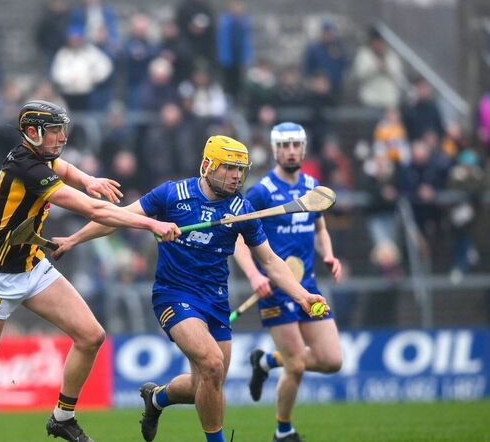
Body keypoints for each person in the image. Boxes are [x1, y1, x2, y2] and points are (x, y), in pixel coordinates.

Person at [0, 99, 181, 442]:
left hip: (31, 264)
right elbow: (94, 211)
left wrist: (88, 179)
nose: (62, 137)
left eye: (62, 129)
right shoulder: (27, 168)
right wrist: (150, 224)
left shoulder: (40, 157)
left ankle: (62, 418)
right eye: (55, 130)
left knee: (91, 336)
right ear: (32, 132)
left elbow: (63, 167)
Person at [53, 135, 328, 442]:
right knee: (212, 363)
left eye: (240, 169)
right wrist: (73, 239)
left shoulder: (242, 210)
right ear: (208, 166)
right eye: (229, 168)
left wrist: (302, 296)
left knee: (207, 382)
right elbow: (117, 218)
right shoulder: (172, 194)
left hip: (216, 300)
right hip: (174, 295)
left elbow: (271, 261)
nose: (236, 176)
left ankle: (157, 398)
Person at [233, 122, 343, 442]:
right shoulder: (261, 192)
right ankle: (283, 431)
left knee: (331, 360)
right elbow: (238, 239)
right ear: (275, 150)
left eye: (296, 145)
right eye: (284, 146)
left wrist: (328, 254)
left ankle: (266, 362)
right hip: (276, 291)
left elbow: (320, 228)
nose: (291, 151)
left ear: (303, 148)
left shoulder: (311, 185)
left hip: (308, 287)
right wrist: (255, 275)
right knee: (295, 365)